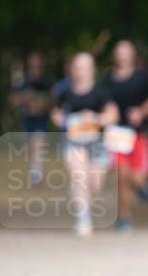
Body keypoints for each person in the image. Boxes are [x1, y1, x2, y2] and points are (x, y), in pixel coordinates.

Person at [50, 52, 118, 238]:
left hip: (97, 143)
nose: (81, 71)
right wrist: (65, 121)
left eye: (85, 67)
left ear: (92, 69)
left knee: (94, 184)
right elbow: (56, 113)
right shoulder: (64, 92)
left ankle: (78, 195)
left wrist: (95, 118)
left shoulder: (101, 92)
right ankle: (83, 219)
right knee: (79, 175)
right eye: (78, 67)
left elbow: (113, 115)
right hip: (73, 142)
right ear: (72, 70)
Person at [102, 40, 148, 232]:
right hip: (116, 136)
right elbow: (100, 102)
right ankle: (124, 217)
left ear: (132, 55)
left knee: (137, 179)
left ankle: (145, 185)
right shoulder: (107, 79)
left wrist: (141, 111)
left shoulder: (142, 76)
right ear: (114, 55)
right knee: (121, 175)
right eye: (119, 51)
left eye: (126, 51)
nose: (122, 55)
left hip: (138, 135)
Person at [9, 52, 53, 184]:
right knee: (29, 146)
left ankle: (37, 169)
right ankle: (34, 167)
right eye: (33, 65)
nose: (35, 68)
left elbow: (54, 101)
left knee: (38, 141)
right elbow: (13, 100)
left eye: (38, 65)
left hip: (41, 119)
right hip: (26, 120)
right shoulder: (22, 82)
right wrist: (24, 98)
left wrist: (41, 102)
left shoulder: (47, 82)